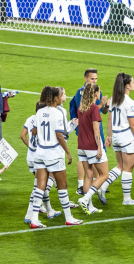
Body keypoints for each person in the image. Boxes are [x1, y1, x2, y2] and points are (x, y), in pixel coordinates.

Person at [27, 87, 81, 228]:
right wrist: (68, 152)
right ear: (55, 98)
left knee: (40, 187)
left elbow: (34, 131)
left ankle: (34, 220)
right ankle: (69, 218)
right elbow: (59, 135)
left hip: (39, 154)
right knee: (62, 187)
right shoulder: (57, 113)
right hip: (53, 154)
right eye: (58, 96)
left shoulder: (39, 112)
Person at [105, 73, 134, 205]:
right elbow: (132, 125)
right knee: (128, 169)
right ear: (127, 86)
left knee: (120, 166)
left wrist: (109, 136)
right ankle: (127, 199)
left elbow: (109, 119)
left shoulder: (113, 99)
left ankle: (103, 187)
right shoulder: (129, 102)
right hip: (126, 137)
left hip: (116, 136)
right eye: (133, 82)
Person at [21, 99, 58, 223]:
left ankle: (49, 210)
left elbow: (22, 135)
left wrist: (30, 147)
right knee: (39, 186)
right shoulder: (43, 119)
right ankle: (29, 214)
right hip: (40, 157)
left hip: (30, 157)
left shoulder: (30, 118)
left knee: (41, 184)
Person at [76, 83, 111, 213]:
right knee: (104, 175)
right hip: (92, 146)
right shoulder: (94, 109)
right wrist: (99, 148)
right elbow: (96, 130)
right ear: (95, 93)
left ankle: (89, 207)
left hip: (81, 147)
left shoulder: (81, 108)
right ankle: (85, 199)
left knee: (89, 175)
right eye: (99, 92)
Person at [68, 68, 101, 196]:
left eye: (96, 79)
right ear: (85, 79)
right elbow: (89, 112)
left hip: (89, 134)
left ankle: (93, 187)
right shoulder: (80, 94)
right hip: (88, 134)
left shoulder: (96, 92)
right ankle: (84, 187)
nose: (94, 81)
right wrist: (102, 104)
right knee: (101, 171)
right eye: (92, 78)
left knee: (90, 169)